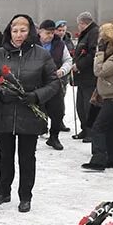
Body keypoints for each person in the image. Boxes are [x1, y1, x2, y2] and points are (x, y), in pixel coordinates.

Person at [0, 15, 60, 213]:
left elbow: (53, 83)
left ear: (30, 32)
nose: (18, 35)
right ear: (9, 31)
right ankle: (3, 191)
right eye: (15, 30)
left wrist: (36, 96)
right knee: (4, 156)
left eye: (23, 30)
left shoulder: (41, 55)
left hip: (29, 114)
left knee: (27, 157)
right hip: (4, 113)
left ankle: (25, 196)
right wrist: (0, 93)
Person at [81, 24, 113, 171]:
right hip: (108, 97)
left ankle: (99, 159)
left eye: (104, 41)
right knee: (108, 129)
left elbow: (99, 71)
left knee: (98, 128)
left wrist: (99, 53)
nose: (101, 43)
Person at [37, 19, 73, 151]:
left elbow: (68, 60)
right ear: (40, 32)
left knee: (57, 111)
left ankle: (54, 137)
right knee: (36, 112)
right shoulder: (32, 44)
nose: (50, 36)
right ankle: (34, 136)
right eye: (47, 33)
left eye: (52, 33)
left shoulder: (59, 44)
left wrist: (63, 70)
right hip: (37, 83)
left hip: (54, 82)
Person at [71, 11, 99, 142]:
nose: (78, 27)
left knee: (88, 105)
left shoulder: (94, 33)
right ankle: (85, 128)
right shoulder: (86, 34)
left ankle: (91, 131)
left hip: (89, 76)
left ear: (83, 23)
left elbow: (93, 54)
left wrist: (79, 65)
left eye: (79, 24)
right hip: (82, 78)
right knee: (80, 105)